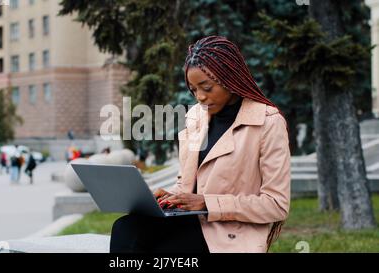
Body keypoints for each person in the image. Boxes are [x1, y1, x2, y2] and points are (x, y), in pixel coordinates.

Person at [110, 36, 291, 253]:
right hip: (191, 220)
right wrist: (170, 197)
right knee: (125, 228)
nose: (200, 97)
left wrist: (207, 203)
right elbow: (188, 183)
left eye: (206, 87)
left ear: (230, 79)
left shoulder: (268, 122)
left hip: (230, 232)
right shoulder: (196, 116)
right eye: (194, 90)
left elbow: (276, 205)